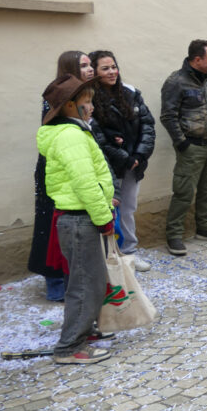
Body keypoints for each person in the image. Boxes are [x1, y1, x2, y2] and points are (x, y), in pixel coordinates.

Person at [36, 75, 115, 364]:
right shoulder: (71, 136)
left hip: (80, 218)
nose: (91, 106)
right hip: (81, 219)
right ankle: (69, 347)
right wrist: (103, 217)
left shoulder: (74, 131)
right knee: (85, 284)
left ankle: (85, 329)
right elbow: (84, 182)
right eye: (87, 101)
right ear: (70, 105)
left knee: (88, 279)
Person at [29, 51, 94, 301]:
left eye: (90, 64)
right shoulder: (57, 96)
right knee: (51, 225)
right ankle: (55, 283)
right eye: (84, 65)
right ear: (70, 69)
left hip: (78, 165)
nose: (90, 69)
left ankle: (74, 280)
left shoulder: (87, 95)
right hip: (56, 169)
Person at [88, 51, 157, 272]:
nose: (112, 72)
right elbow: (97, 137)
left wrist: (138, 156)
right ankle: (109, 256)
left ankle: (129, 253)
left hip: (133, 165)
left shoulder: (130, 93)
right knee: (107, 211)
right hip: (107, 167)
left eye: (113, 67)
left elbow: (147, 126)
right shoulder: (88, 98)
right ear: (94, 72)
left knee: (128, 209)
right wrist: (123, 158)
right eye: (105, 68)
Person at [160, 39, 207, 256]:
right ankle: (174, 235)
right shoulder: (176, 82)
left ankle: (205, 228)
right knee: (183, 192)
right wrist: (182, 143)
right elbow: (168, 116)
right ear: (197, 60)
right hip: (192, 147)